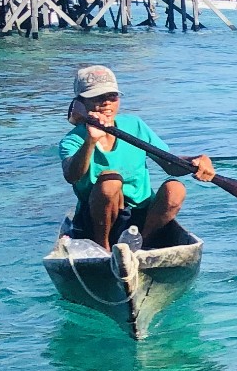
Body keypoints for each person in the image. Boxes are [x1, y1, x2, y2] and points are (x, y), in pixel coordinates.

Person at [59, 65, 214, 252]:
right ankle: (104, 249)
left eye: (112, 96)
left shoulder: (134, 125)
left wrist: (195, 161)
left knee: (176, 189)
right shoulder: (73, 139)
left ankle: (142, 244)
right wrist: (91, 141)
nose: (107, 103)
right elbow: (71, 175)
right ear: (81, 103)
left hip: (141, 216)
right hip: (96, 220)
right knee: (111, 180)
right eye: (98, 97)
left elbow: (169, 164)